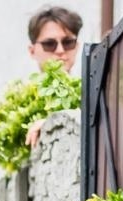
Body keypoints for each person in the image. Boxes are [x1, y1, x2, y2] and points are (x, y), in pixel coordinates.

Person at [26, 5, 85, 148]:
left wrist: (50, 124)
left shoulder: (93, 90)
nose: (60, 50)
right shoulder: (24, 103)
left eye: (68, 42)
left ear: (77, 46)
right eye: (49, 44)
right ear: (32, 51)